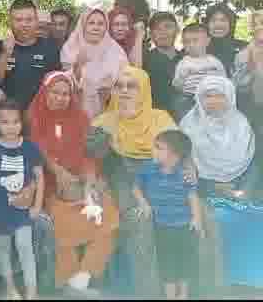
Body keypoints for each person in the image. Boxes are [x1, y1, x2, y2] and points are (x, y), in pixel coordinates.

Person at [88, 66, 179, 297]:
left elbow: (177, 155)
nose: (125, 91)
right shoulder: (103, 122)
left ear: (144, 90)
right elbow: (93, 158)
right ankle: (149, 294)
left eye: (132, 86)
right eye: (119, 86)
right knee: (140, 219)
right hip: (122, 185)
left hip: (161, 182)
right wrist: (114, 123)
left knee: (197, 215)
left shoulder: (161, 119)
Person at [29, 71, 119, 294]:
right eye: (55, 92)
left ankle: (84, 276)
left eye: (65, 94)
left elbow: (88, 156)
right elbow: (36, 153)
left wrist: (89, 182)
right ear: (44, 92)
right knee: (60, 221)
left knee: (106, 213)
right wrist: (59, 172)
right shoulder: (33, 117)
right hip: (47, 186)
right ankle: (68, 278)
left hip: (80, 182)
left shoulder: (80, 118)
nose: (60, 98)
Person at [0, 100, 45, 300]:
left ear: (22, 123)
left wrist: (37, 205)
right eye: (5, 122)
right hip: (0, 208)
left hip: (23, 209)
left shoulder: (30, 148)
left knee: (25, 246)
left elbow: (40, 177)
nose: (11, 126)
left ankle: (32, 290)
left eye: (16, 121)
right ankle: (10, 288)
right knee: (3, 248)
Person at [132, 130, 204, 300]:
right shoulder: (148, 169)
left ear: (175, 155)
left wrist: (197, 219)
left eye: (159, 148)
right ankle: (170, 296)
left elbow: (192, 196)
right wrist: (143, 202)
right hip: (162, 226)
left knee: (185, 260)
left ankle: (184, 294)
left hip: (184, 225)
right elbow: (135, 188)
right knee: (166, 263)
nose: (153, 150)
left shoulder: (185, 173)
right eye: (154, 146)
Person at [180, 76, 256, 196]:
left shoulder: (242, 125)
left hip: (239, 188)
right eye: (208, 96)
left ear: (230, 98)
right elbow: (182, 165)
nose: (214, 101)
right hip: (199, 191)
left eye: (220, 96)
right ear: (199, 98)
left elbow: (252, 167)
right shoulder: (188, 125)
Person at [0, 0, 61, 110]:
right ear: (10, 22)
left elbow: (56, 85)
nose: (24, 24)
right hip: (8, 116)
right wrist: (5, 53)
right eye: (18, 20)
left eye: (29, 20)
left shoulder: (50, 48)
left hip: (40, 113)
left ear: (36, 21)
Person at [61, 7, 129, 119]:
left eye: (100, 24)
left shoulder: (116, 51)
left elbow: (126, 82)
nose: (96, 27)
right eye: (91, 23)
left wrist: (110, 92)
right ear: (83, 25)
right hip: (75, 113)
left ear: (106, 27)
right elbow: (63, 85)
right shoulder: (71, 48)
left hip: (108, 113)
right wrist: (77, 67)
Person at [172, 23, 226, 120]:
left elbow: (223, 79)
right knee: (181, 104)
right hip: (190, 97)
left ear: (207, 41)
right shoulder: (184, 63)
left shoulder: (214, 61)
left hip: (211, 97)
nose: (191, 45)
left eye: (195, 40)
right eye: (187, 42)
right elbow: (177, 84)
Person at [143, 12, 182, 112]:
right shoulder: (144, 60)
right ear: (151, 34)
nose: (163, 32)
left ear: (177, 30)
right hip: (156, 116)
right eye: (157, 28)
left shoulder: (186, 58)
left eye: (168, 27)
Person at [233, 9, 263, 129]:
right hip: (252, 111)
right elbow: (238, 86)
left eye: (262, 23)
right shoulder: (243, 55)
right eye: (255, 24)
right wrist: (249, 70)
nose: (259, 27)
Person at [205, 3, 246, 78]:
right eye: (213, 20)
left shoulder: (244, 48)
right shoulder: (196, 48)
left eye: (223, 20)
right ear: (207, 24)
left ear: (231, 24)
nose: (218, 24)